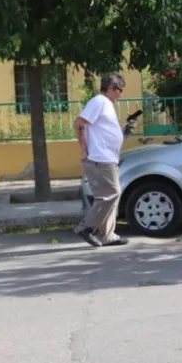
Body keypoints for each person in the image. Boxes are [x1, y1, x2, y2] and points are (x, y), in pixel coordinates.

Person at [73, 74, 130, 248]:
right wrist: (83, 150)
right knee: (112, 194)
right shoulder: (99, 101)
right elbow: (79, 124)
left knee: (108, 196)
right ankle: (86, 227)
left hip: (107, 158)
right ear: (111, 88)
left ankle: (107, 235)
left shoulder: (106, 105)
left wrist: (124, 131)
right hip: (99, 159)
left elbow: (104, 131)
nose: (121, 95)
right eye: (120, 90)